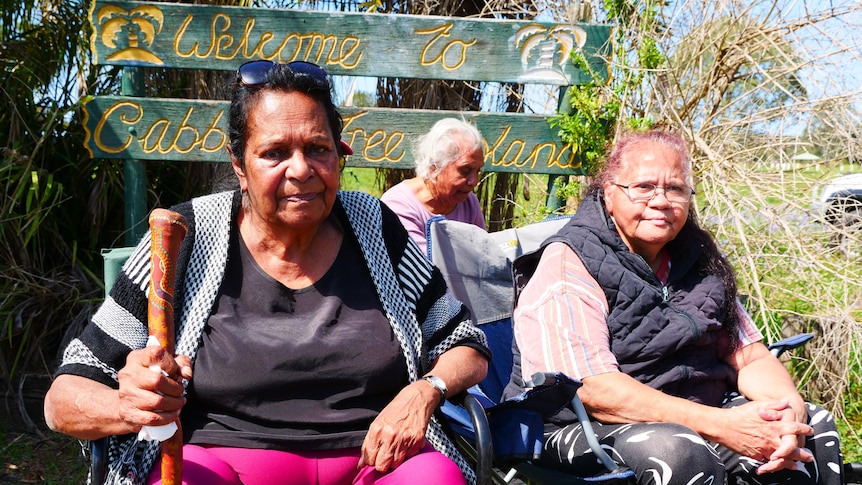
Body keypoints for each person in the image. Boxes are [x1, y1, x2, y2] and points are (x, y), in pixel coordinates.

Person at [44, 59, 490, 485]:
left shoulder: (376, 228)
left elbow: (466, 343)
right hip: (219, 464)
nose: (301, 170)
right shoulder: (183, 236)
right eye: (275, 153)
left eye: (318, 149)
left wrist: (426, 390)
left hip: (375, 466)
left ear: (340, 155)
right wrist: (130, 405)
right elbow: (64, 396)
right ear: (240, 166)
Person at [506, 130, 844, 485]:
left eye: (676, 189)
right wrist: (722, 425)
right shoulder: (569, 262)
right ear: (609, 193)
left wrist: (788, 418)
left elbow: (752, 357)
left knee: (812, 427)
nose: (661, 200)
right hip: (576, 426)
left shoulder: (699, 261)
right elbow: (592, 389)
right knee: (678, 452)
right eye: (644, 187)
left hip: (700, 413)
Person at [381, 118, 486, 256]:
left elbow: (484, 255)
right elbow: (423, 267)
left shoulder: (469, 203)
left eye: (477, 171)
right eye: (465, 170)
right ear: (434, 167)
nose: (474, 181)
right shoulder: (399, 205)